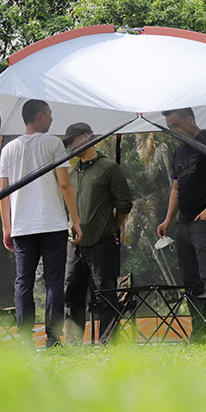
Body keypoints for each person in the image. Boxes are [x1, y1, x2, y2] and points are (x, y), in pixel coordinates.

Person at [0, 99, 82, 349]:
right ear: (40, 116)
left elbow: (3, 193)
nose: (52, 119)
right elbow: (64, 184)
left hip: (22, 227)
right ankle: (53, 339)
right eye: (50, 114)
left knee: (23, 281)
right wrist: (75, 220)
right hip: (52, 224)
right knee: (54, 281)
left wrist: (6, 227)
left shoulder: (8, 150)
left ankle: (24, 340)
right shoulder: (53, 143)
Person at [157, 108, 206, 343]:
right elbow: (176, 189)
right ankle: (199, 333)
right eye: (169, 127)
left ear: (190, 119)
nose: (173, 130)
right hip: (184, 225)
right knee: (191, 280)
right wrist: (168, 220)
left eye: (176, 125)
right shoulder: (179, 151)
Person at [62, 122, 133, 345]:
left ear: (86, 137)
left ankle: (107, 342)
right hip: (74, 244)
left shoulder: (109, 168)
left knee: (106, 292)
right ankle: (73, 342)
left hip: (102, 241)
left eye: (72, 141)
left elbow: (125, 203)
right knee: (71, 292)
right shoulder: (72, 172)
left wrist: (113, 227)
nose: (70, 147)